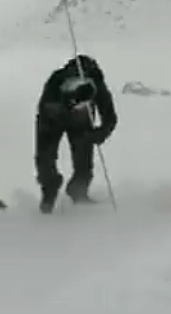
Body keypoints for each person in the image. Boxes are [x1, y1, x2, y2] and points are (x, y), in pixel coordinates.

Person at [35, 54, 118, 213]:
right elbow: (44, 139)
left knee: (84, 158)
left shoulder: (96, 85)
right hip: (51, 118)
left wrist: (101, 133)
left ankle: (78, 190)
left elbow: (110, 117)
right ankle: (49, 189)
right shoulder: (54, 85)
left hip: (81, 122)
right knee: (45, 157)